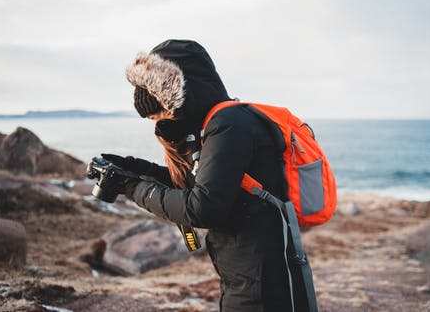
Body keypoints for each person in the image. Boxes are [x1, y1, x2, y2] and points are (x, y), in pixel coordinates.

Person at [98, 39, 302, 311]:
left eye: (160, 115)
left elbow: (202, 208)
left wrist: (132, 187)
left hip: (261, 276)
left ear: (182, 97)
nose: (159, 124)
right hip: (246, 269)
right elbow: (197, 184)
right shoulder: (215, 126)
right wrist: (136, 169)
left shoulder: (228, 126)